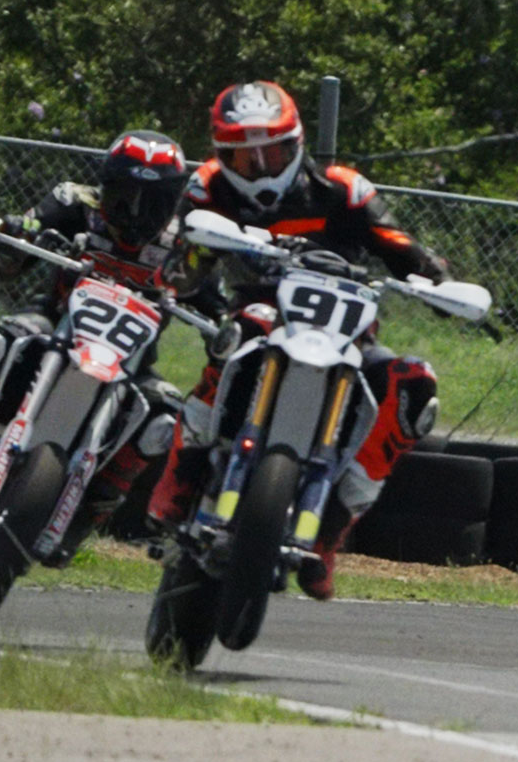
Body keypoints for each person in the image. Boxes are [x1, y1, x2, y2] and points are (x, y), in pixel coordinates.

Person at [147, 80, 449, 600]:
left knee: (415, 386)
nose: (261, 167)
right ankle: (182, 473)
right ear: (221, 155)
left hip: (347, 334)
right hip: (263, 315)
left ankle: (331, 531)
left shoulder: (344, 190)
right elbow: (180, 263)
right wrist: (187, 259)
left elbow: (402, 248)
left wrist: (437, 279)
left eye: (273, 152)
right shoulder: (206, 187)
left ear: (298, 144)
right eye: (244, 158)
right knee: (241, 331)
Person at [0, 129, 213, 563]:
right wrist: (17, 238)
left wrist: (226, 328)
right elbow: (14, 244)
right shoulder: (74, 202)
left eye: (153, 201)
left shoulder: (187, 244)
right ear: (104, 186)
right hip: (54, 324)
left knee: (164, 414)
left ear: (174, 200)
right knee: (4, 339)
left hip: (131, 362)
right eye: (124, 196)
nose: (136, 212)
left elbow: (218, 307)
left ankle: (88, 512)